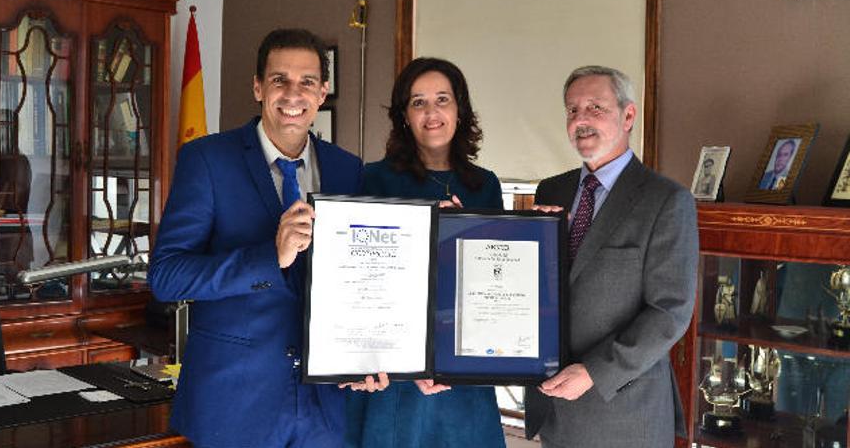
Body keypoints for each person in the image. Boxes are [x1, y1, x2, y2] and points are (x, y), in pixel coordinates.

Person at [149, 28, 386, 448]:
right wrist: (268, 258)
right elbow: (168, 276)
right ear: (258, 87)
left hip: (322, 409)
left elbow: (360, 280)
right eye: (280, 80)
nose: (293, 94)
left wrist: (369, 355)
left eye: (307, 82)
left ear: (323, 92)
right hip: (233, 404)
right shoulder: (207, 159)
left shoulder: (348, 170)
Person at [523, 65, 698, 448]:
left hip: (623, 411)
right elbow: (537, 288)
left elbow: (670, 312)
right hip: (555, 407)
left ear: (628, 115)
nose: (580, 120)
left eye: (595, 108)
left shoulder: (666, 200)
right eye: (572, 110)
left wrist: (594, 372)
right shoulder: (551, 191)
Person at [345, 57, 505, 448]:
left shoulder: (485, 185)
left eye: (442, 100)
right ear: (403, 116)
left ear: (460, 109)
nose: (431, 113)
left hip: (463, 369)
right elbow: (361, 282)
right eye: (418, 102)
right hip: (394, 372)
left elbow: (493, 280)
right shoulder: (372, 178)